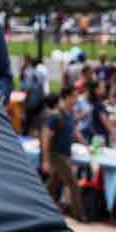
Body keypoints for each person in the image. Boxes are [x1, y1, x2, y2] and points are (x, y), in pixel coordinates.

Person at [42, 86, 88, 222]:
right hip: (57, 155)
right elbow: (46, 137)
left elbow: (74, 131)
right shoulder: (56, 115)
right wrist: (46, 160)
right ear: (66, 97)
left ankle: (37, 204)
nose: (76, 99)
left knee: (53, 184)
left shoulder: (69, 114)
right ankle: (79, 215)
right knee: (73, 184)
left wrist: (87, 145)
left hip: (65, 154)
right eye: (74, 96)